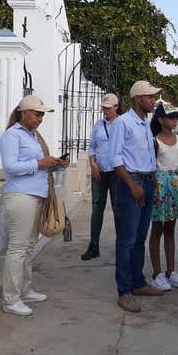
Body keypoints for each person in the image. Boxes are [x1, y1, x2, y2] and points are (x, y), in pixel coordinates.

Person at [0, 95, 68, 317]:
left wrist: (56, 164)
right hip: (21, 196)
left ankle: (24, 290)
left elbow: (39, 165)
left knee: (28, 247)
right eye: (37, 114)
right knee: (18, 248)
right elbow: (10, 167)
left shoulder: (34, 136)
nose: (40, 119)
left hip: (37, 194)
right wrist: (39, 163)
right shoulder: (12, 136)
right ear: (23, 113)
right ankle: (11, 299)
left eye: (42, 115)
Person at [108, 80, 165, 313]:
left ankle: (138, 282)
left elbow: (149, 157)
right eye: (149, 97)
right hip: (131, 182)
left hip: (148, 181)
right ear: (137, 99)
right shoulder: (123, 123)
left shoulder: (144, 123)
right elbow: (114, 158)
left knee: (141, 236)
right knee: (127, 239)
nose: (153, 100)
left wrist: (155, 185)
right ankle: (125, 291)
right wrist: (132, 185)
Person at [148, 101, 178, 291]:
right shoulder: (154, 141)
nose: (175, 121)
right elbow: (151, 168)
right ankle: (157, 273)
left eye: (176, 118)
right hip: (160, 188)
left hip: (175, 187)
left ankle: (171, 271)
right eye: (171, 117)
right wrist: (154, 189)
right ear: (161, 120)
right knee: (157, 230)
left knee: (170, 230)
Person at [81, 93, 121, 261]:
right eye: (103, 108)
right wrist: (92, 163)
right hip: (99, 171)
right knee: (97, 209)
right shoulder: (98, 125)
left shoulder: (122, 124)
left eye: (108, 108)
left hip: (117, 173)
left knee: (119, 209)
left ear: (116, 107)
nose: (105, 111)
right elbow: (92, 147)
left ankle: (122, 245)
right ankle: (94, 244)